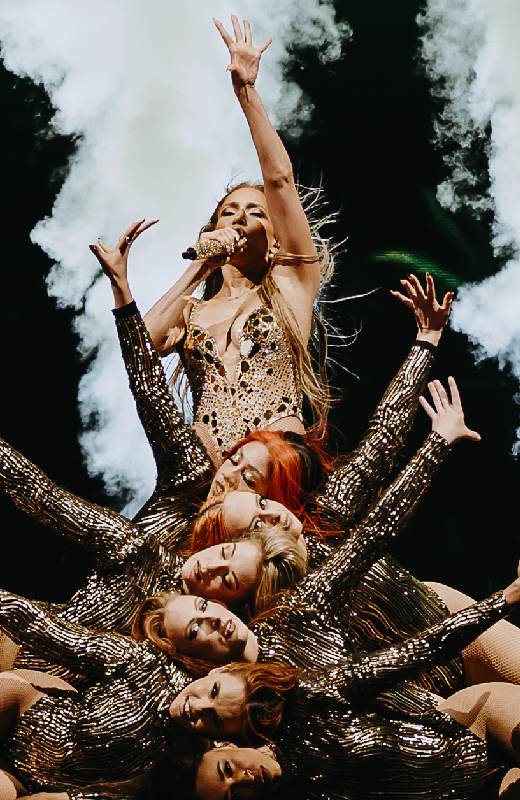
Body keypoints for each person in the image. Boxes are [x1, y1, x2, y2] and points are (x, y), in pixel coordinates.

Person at [142, 570, 520, 800]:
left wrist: (506, 598)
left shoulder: (309, 698)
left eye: (228, 770)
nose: (244, 780)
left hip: (469, 724)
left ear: (225, 746)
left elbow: (417, 652)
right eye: (234, 797)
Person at [0, 596, 298, 798]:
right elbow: (43, 629)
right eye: (213, 691)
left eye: (215, 720)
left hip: (34, 783)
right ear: (219, 670)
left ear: (222, 737)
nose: (198, 707)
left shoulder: (188, 765)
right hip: (27, 712)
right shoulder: (145, 662)